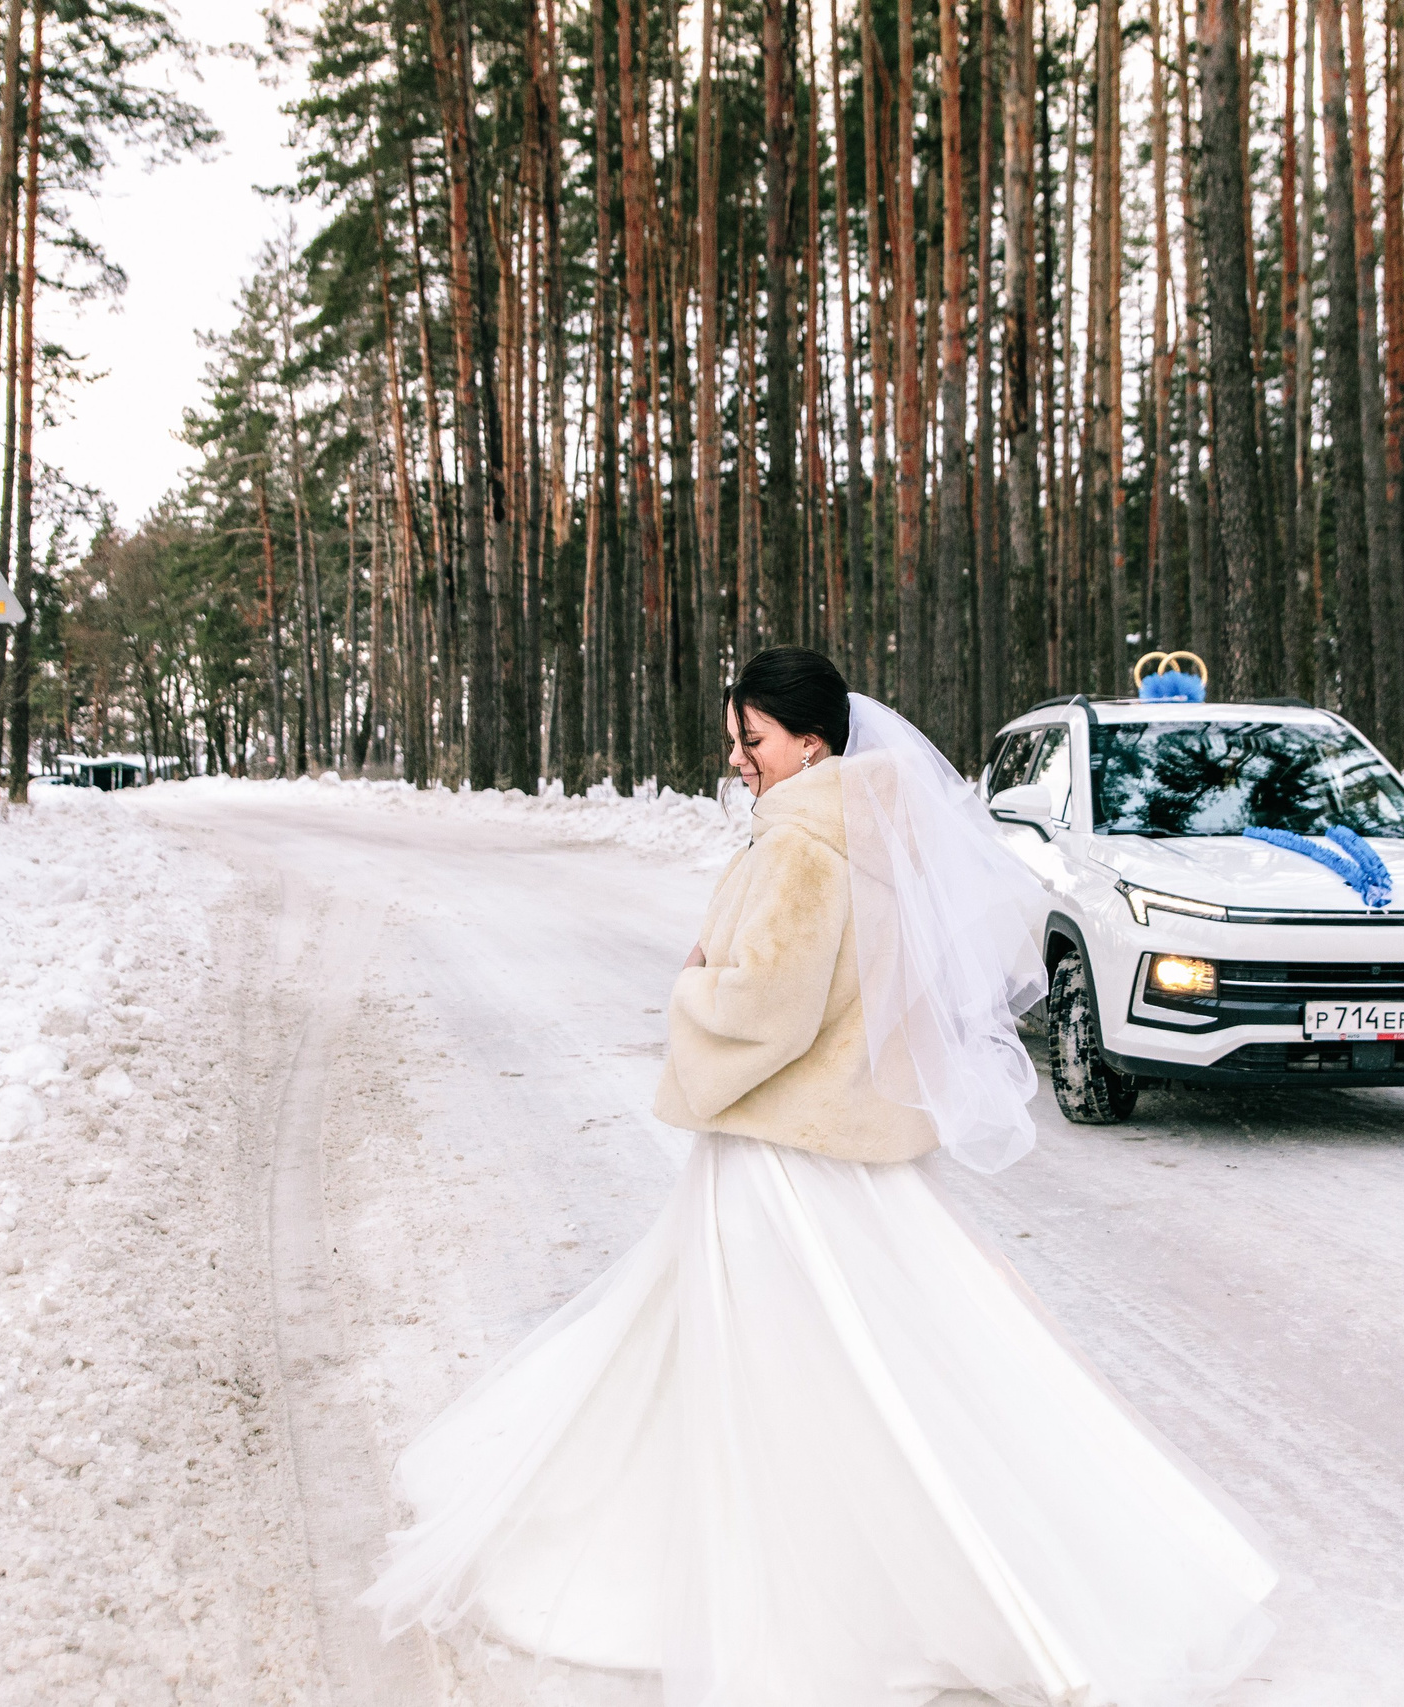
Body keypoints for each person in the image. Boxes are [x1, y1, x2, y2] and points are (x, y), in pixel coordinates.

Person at [363, 648, 1279, 1705]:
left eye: (752, 739)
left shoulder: (803, 844)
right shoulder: (875, 836)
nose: (738, 759)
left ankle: (811, 1587)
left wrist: (690, 999)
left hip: (781, 1152)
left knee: (786, 1365)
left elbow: (773, 1006)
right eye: (735, 740)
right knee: (886, 1355)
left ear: (809, 741)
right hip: (837, 1139)